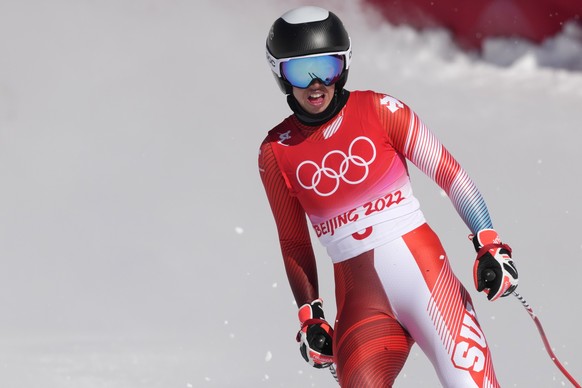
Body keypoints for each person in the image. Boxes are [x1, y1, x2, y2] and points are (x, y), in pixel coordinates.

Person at [258, 6, 519, 387]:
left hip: (429, 284)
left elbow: (450, 175)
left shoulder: (381, 110)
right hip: (362, 307)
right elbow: (294, 241)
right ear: (281, 75)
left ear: (344, 66)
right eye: (300, 71)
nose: (316, 84)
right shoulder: (275, 150)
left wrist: (489, 243)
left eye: (327, 67)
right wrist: (310, 313)